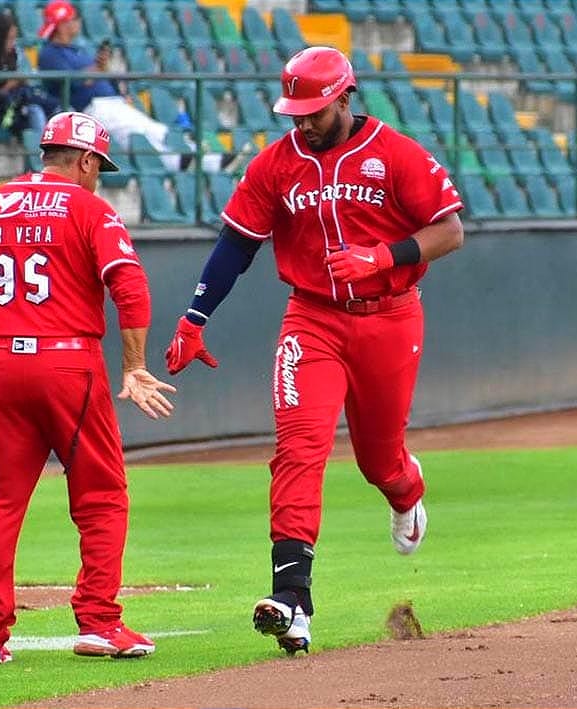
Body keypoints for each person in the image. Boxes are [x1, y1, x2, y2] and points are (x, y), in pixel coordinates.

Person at [164, 46, 465, 655]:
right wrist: (195, 317)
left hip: (389, 316)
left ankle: (406, 491)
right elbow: (236, 245)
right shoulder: (276, 165)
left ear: (345, 98)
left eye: (315, 111)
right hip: (312, 319)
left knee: (379, 460)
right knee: (299, 448)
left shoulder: (395, 152)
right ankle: (293, 602)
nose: (302, 122)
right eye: (294, 112)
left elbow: (449, 231)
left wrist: (379, 258)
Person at [0, 111, 177, 664]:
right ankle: (98, 623)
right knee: (101, 497)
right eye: (99, 166)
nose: (98, 176)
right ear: (86, 160)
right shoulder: (91, 208)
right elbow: (130, 285)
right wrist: (134, 365)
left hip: (0, 367)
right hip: (70, 368)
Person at [36, 0, 238, 174]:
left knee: (155, 131)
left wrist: (110, 78)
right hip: (91, 110)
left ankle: (207, 160)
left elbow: (96, 76)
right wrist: (97, 68)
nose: (77, 23)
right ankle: (196, 162)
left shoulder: (77, 50)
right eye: (72, 19)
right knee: (140, 134)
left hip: (111, 104)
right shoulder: (50, 54)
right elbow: (72, 82)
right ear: (61, 25)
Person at [0, 11, 59, 137]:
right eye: (9, 39)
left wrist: (19, 81)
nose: (12, 43)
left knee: (36, 109)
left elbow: (29, 79)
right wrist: (11, 84)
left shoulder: (15, 54)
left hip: (16, 107)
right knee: (35, 110)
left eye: (14, 38)